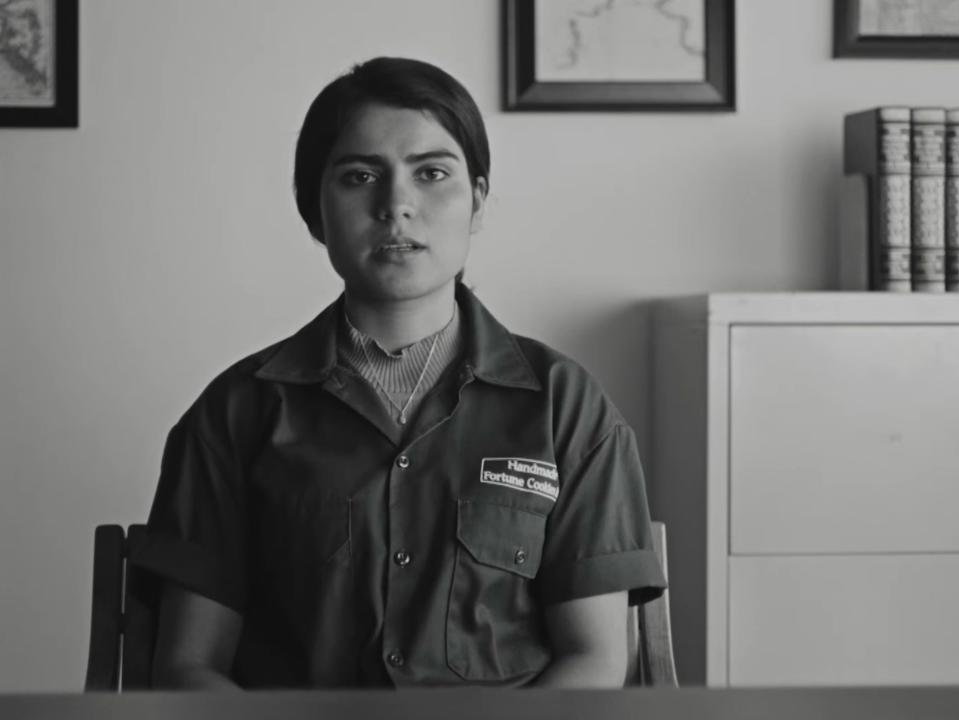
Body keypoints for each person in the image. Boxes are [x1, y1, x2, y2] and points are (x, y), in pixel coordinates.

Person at [131, 56, 666, 690]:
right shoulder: (236, 411)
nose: (397, 205)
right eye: (360, 176)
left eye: (432, 173)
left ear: (477, 201)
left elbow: (597, 660)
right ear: (313, 212)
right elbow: (190, 667)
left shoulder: (564, 405)